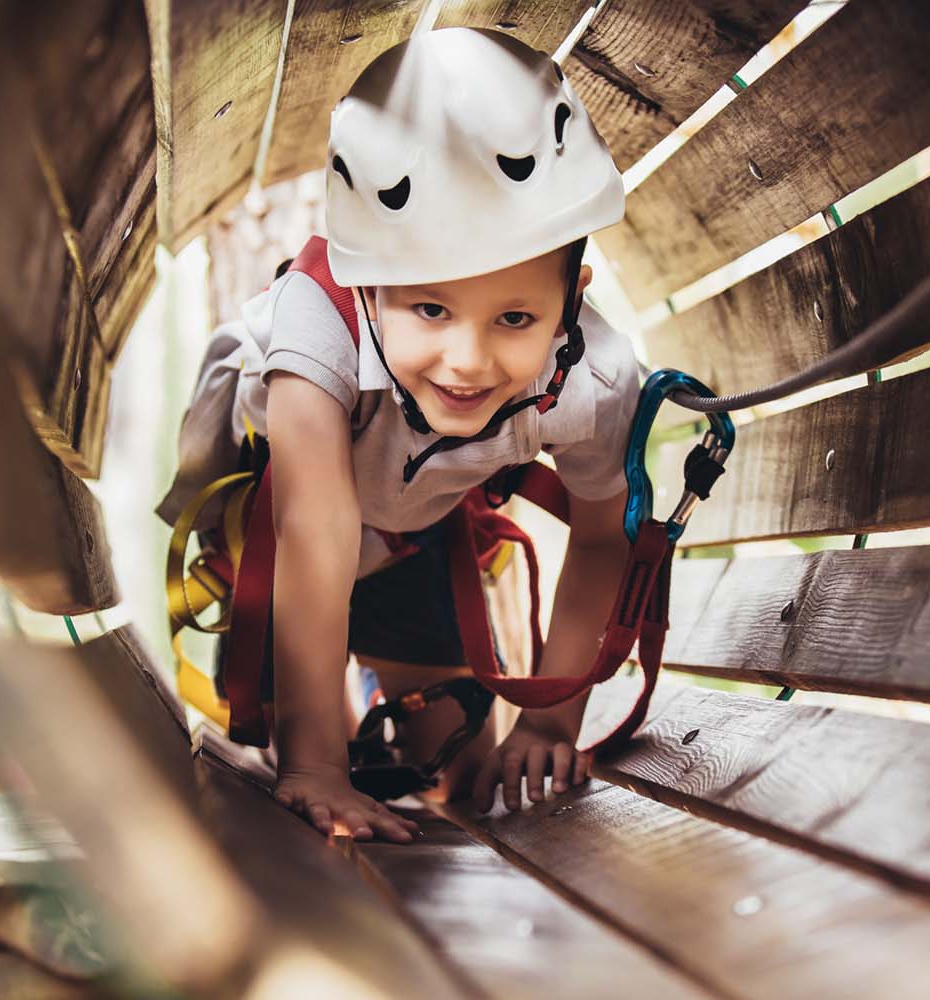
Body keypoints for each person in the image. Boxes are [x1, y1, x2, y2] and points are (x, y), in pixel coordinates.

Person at [158, 27, 638, 843]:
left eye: (516, 317)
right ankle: (334, 733)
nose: (468, 359)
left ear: (574, 294)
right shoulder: (316, 333)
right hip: (278, 534)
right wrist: (316, 768)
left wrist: (550, 720)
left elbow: (601, 541)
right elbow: (314, 531)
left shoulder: (592, 379)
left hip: (412, 536)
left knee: (462, 772)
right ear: (367, 284)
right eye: (430, 310)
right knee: (311, 779)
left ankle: (392, 726)